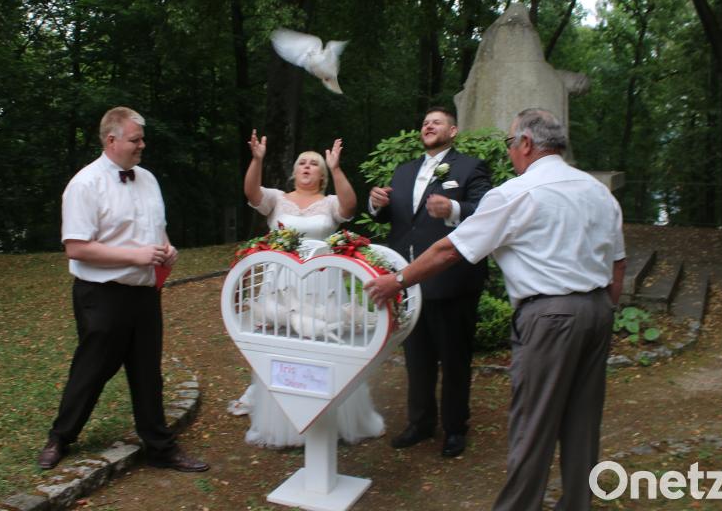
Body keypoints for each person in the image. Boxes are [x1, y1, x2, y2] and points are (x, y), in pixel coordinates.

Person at [366, 108, 626, 511]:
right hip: (598, 311)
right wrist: (603, 308)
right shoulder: (597, 191)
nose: (509, 152)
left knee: (533, 424)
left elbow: (449, 250)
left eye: (510, 143)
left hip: (549, 316)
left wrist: (397, 281)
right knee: (583, 421)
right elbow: (618, 262)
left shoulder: (517, 192)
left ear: (526, 144)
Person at [37, 106, 208, 473]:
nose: (142, 145)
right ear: (111, 140)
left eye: (142, 139)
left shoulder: (148, 179)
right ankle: (60, 437)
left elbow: (156, 229)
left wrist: (166, 249)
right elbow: (76, 248)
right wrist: (135, 256)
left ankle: (160, 448)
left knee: (148, 372)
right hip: (102, 295)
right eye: (136, 139)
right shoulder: (85, 184)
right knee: (92, 369)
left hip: (145, 293)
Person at [228, 129, 385, 448]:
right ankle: (283, 422)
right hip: (280, 282)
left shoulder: (329, 203)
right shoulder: (277, 199)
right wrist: (257, 160)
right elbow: (251, 193)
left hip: (322, 282)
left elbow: (350, 207)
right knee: (282, 342)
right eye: (302, 162)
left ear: (322, 175)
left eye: (314, 164)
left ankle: (330, 418)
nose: (307, 167)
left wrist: (337, 168)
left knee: (323, 341)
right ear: (294, 171)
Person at [368, 106, 492, 458]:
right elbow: (400, 220)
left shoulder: (471, 167)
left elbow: (486, 209)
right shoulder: (404, 170)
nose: (428, 125)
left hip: (452, 279)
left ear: (453, 131)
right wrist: (377, 205)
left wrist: (453, 209)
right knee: (417, 358)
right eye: (425, 122)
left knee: (454, 360)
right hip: (409, 282)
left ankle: (455, 428)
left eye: (436, 122)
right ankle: (420, 423)